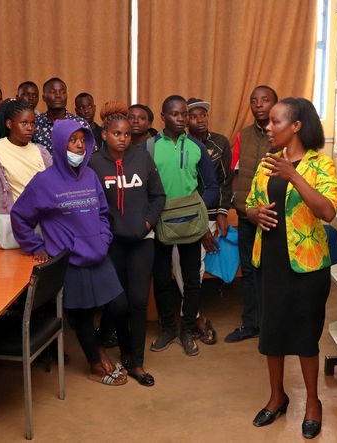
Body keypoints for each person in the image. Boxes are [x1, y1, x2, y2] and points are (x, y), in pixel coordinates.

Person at [247, 97, 337, 439]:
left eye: (276, 122)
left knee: (304, 336)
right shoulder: (267, 162)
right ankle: (276, 397)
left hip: (307, 266)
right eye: (268, 122)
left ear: (296, 126)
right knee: (271, 333)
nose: (269, 128)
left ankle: (313, 403)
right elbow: (253, 204)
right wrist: (252, 213)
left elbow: (327, 212)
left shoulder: (321, 165)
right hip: (269, 260)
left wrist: (294, 175)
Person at [11, 119, 128, 386]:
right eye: (72, 141)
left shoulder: (90, 175)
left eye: (81, 140)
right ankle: (95, 364)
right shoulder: (44, 182)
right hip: (71, 260)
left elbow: (101, 211)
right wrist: (36, 246)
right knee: (84, 314)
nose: (78, 146)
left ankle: (98, 347)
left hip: (98, 253)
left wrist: (104, 236)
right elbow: (19, 216)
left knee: (119, 305)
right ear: (59, 145)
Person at [89, 102, 165, 386]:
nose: (122, 138)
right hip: (111, 245)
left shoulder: (142, 159)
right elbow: (92, 204)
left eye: (126, 134)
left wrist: (147, 223)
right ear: (105, 134)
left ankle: (136, 363)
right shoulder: (94, 163)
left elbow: (158, 196)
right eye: (116, 133)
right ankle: (112, 347)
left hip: (142, 242)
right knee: (117, 303)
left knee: (138, 301)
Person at [148, 95, 219, 357]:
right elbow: (144, 187)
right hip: (160, 224)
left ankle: (187, 330)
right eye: (175, 114)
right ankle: (167, 328)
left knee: (191, 279)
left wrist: (195, 206)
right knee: (163, 278)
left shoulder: (197, 147)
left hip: (191, 225)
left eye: (184, 115)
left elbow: (212, 186)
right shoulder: (150, 148)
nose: (181, 119)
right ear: (163, 116)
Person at [171, 97, 235, 344]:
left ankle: (191, 318)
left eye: (203, 115)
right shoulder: (180, 144)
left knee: (195, 264)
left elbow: (225, 182)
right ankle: (195, 316)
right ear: (185, 119)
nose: (200, 119)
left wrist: (221, 212)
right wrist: (199, 228)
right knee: (180, 264)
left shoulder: (220, 143)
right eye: (194, 115)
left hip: (210, 212)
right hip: (185, 215)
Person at [225, 85, 278, 343]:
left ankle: (273, 325)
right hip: (247, 215)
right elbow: (235, 172)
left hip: (274, 218)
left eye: (264, 100)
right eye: (254, 100)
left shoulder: (283, 134)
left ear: (275, 104)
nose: (258, 105)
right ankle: (250, 324)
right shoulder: (243, 135)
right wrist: (238, 203)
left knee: (273, 273)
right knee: (249, 271)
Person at [0, 99, 51, 222]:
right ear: (9, 124)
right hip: (16, 220)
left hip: (44, 219)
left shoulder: (41, 152)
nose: (30, 128)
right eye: (24, 123)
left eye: (32, 123)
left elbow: (52, 188)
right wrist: (3, 227)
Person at [33, 77, 90, 153]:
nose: (58, 96)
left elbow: (91, 155)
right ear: (44, 97)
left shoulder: (80, 123)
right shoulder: (35, 123)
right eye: (53, 92)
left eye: (62, 92)